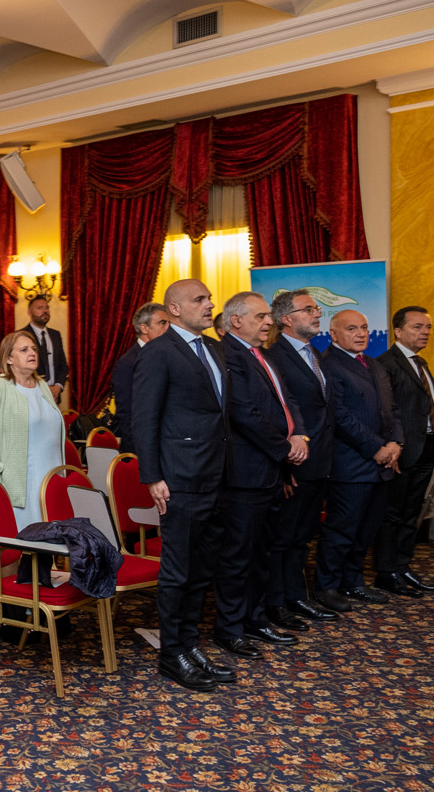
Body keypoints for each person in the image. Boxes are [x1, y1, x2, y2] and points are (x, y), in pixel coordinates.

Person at [132, 279, 232, 692]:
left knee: (202, 569)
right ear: (174, 309)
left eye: (209, 298)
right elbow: (144, 417)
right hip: (179, 478)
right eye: (199, 299)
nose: (210, 305)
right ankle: (172, 654)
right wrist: (153, 476)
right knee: (178, 571)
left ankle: (190, 645)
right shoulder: (159, 352)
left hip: (217, 474)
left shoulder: (214, 348)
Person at [214, 292, 307, 660]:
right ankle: (230, 629)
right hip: (244, 473)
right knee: (237, 556)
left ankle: (255, 619)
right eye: (261, 316)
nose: (270, 321)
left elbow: (287, 402)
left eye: (269, 315)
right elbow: (243, 413)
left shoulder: (261, 354)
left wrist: (299, 435)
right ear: (236, 321)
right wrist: (284, 448)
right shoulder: (227, 355)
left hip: (270, 470)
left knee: (262, 552)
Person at [316, 309, 402, 611]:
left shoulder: (374, 364)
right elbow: (339, 417)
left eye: (364, 327)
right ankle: (327, 586)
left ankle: (353, 582)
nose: (361, 333)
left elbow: (391, 409)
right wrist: (376, 447)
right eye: (351, 328)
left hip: (381, 463)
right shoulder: (328, 364)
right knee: (341, 529)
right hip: (350, 463)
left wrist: (396, 442)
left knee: (366, 529)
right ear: (333, 334)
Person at [263, 290, 340, 627]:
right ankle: (275, 603)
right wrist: (283, 467)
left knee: (302, 536)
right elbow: (277, 414)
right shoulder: (274, 356)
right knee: (282, 537)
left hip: (319, 461)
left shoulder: (314, 353)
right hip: (292, 464)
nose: (317, 313)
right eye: (308, 309)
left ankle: (296, 597)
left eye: (317, 308)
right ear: (286, 319)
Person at [374, 306, 434, 596]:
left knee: (411, 512)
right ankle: (386, 572)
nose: (425, 332)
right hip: (401, 451)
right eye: (417, 327)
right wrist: (394, 445)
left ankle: (402, 566)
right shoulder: (386, 363)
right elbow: (386, 411)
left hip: (426, 447)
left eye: (427, 327)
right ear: (398, 331)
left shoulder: (421, 362)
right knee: (392, 513)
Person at [0, 330, 64, 529]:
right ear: (8, 358)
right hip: (21, 481)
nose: (32, 353)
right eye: (24, 350)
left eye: (33, 349)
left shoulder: (42, 385)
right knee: (29, 537)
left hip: (51, 476)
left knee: (54, 534)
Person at [111, 303, 168, 452]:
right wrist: (136, 453)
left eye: (169, 323)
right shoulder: (128, 362)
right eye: (162, 323)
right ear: (144, 328)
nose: (168, 328)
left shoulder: (167, 356)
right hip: (141, 448)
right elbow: (126, 413)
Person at [21, 294, 69, 402]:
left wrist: (58, 386)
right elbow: (20, 369)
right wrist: (42, 387)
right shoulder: (21, 335)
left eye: (47, 308)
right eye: (39, 308)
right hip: (31, 396)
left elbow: (62, 365)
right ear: (29, 312)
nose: (45, 311)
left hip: (54, 395)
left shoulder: (55, 335)